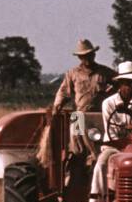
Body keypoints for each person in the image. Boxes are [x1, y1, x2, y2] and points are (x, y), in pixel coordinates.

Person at [40, 39, 115, 168]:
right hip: (79, 114)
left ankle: (95, 163)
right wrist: (57, 105)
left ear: (94, 55)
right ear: (80, 57)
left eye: (90, 55)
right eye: (84, 56)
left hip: (99, 114)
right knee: (76, 144)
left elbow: (119, 84)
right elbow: (63, 92)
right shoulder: (72, 73)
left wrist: (110, 92)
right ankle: (76, 168)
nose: (88, 58)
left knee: (100, 143)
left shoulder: (104, 72)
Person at [93, 61, 132, 199]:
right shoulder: (108, 103)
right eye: (127, 83)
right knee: (101, 165)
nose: (130, 87)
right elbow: (112, 134)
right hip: (115, 147)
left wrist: (129, 113)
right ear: (120, 84)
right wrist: (130, 133)